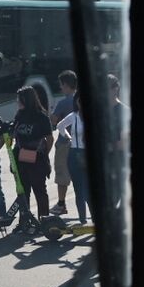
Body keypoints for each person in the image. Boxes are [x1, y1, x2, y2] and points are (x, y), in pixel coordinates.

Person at [12, 85, 54, 230]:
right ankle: (24, 221)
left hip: (37, 160)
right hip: (20, 158)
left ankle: (44, 222)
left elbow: (50, 138)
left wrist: (43, 154)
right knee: (23, 192)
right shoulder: (19, 115)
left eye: (20, 99)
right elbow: (14, 133)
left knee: (40, 191)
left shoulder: (41, 116)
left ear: (27, 99)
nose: (18, 102)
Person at [56, 96, 90, 225]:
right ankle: (82, 219)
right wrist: (69, 137)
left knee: (88, 189)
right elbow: (60, 126)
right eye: (79, 100)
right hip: (74, 153)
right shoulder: (73, 116)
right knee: (78, 189)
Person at [50, 70, 78, 215]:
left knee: (62, 173)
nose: (60, 87)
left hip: (64, 142)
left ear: (66, 85)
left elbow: (54, 121)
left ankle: (61, 204)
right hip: (80, 143)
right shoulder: (80, 100)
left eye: (61, 85)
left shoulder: (63, 102)